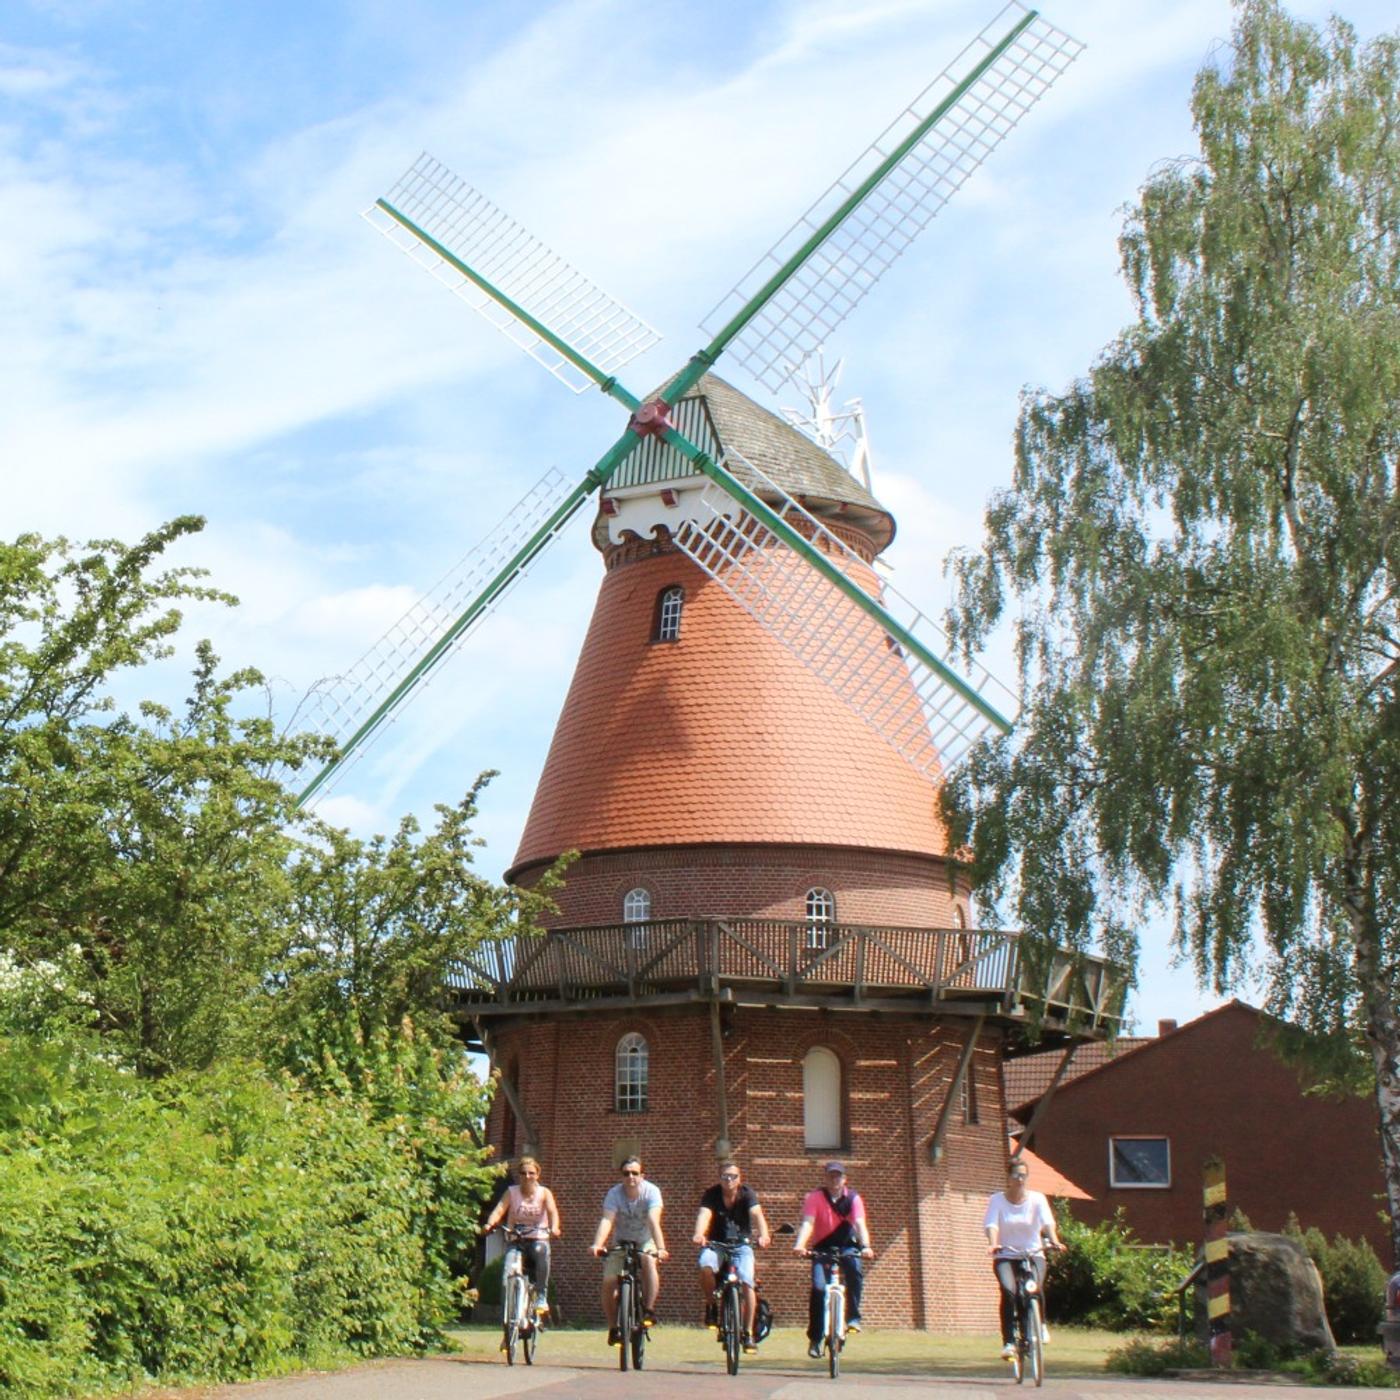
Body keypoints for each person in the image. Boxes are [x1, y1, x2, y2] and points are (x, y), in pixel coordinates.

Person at [793, 1161, 874, 1360]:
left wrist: (866, 1246)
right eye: (831, 1176)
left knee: (854, 1270)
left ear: (844, 1179)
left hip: (848, 1246)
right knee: (819, 1288)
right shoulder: (815, 1197)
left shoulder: (853, 1198)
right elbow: (808, 1223)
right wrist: (800, 1244)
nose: (834, 1179)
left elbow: (859, 1224)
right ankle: (815, 1338)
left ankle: (853, 1317)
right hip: (823, 1248)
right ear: (825, 1178)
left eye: (838, 1176)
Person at [984, 1156, 1063, 1358]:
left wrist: (1054, 1240)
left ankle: (1041, 1325)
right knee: (1010, 1291)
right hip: (1007, 1254)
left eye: (1024, 1175)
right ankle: (1009, 1341)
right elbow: (992, 1224)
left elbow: (1047, 1223)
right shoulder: (997, 1200)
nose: (1021, 1179)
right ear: (1008, 1177)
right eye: (1016, 1175)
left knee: (1033, 1287)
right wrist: (993, 1244)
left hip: (1032, 1252)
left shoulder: (1037, 1199)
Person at [693, 1160, 772, 1354]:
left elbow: (757, 1215)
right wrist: (699, 1233)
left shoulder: (747, 1194)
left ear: (740, 1178)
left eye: (733, 1176)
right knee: (705, 1265)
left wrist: (764, 1235)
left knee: (747, 1281)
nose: (729, 1180)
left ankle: (747, 1333)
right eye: (725, 1176)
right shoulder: (711, 1194)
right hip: (716, 1244)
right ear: (719, 1178)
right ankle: (711, 1305)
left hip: (741, 1246)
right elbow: (704, 1215)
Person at [590, 1156, 669, 1344]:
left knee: (648, 1260)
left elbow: (653, 1220)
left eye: (635, 1173)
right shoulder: (614, 1194)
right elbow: (607, 1220)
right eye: (626, 1173)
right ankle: (613, 1328)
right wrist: (598, 1244)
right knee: (609, 1281)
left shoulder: (652, 1192)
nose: (630, 1177)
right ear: (621, 1176)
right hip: (622, 1241)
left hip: (644, 1240)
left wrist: (660, 1248)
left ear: (642, 1175)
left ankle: (648, 1310)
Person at [482, 1155, 561, 1323]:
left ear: (537, 1175)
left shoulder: (544, 1193)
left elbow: (553, 1212)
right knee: (507, 1277)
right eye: (523, 1173)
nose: (527, 1177)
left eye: (531, 1173)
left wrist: (554, 1227)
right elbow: (499, 1210)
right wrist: (490, 1224)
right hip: (516, 1239)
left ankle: (541, 1295)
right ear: (519, 1175)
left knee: (541, 1252)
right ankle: (508, 1324)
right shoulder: (512, 1192)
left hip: (537, 1237)